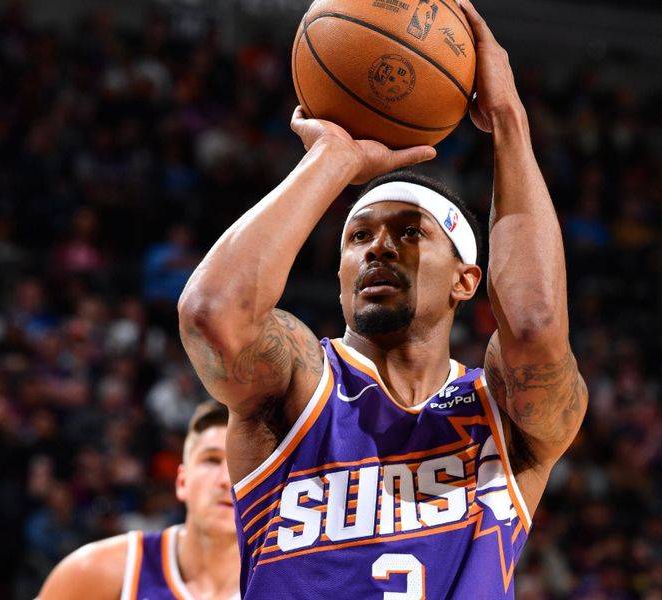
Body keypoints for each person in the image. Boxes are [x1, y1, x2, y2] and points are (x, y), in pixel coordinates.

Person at [178, 1, 587, 598]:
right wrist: (332, 159)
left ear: (466, 281)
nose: (378, 248)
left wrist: (508, 120)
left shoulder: (502, 412)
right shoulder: (300, 384)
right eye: (358, 236)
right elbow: (212, 312)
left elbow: (536, 325)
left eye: (410, 232)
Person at [38, 401, 240, 600]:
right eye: (212, 460)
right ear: (182, 481)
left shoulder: (271, 586)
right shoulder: (96, 569)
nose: (226, 479)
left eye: (242, 465)